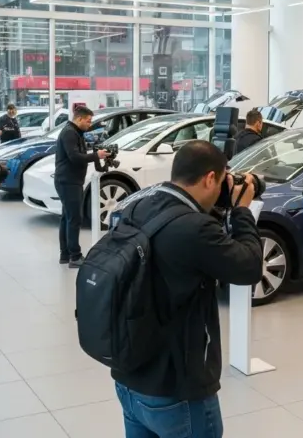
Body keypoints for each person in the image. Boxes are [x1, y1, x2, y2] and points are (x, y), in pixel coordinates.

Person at [112, 140, 261, 438]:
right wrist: (242, 210)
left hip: (129, 377)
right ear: (209, 179)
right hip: (176, 391)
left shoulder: (139, 204)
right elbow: (249, 267)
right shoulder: (195, 229)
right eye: (220, 182)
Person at [55, 106, 110, 267]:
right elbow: (74, 157)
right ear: (79, 119)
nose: (89, 124)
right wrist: (96, 156)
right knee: (74, 219)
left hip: (69, 180)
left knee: (67, 217)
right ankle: (75, 256)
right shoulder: (69, 133)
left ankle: (65, 254)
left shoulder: (74, 132)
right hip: (68, 181)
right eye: (88, 120)